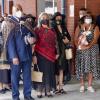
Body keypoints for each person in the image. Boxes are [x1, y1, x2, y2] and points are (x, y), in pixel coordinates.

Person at [6, 4, 36, 100]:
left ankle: (27, 95)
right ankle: (15, 97)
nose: (18, 11)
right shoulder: (9, 23)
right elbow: (9, 42)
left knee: (27, 77)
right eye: (16, 10)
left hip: (27, 54)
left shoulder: (26, 22)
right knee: (15, 78)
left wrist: (33, 39)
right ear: (13, 11)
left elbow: (34, 35)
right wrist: (13, 56)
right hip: (16, 56)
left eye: (19, 9)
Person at [33, 12, 57, 98]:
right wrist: (34, 55)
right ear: (39, 19)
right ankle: (39, 91)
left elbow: (55, 42)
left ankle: (48, 90)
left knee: (49, 73)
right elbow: (34, 44)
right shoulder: (36, 29)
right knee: (40, 73)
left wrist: (56, 53)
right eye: (43, 18)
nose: (44, 19)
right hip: (39, 54)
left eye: (46, 18)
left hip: (50, 55)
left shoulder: (52, 29)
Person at [74, 13, 100, 93]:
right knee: (81, 67)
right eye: (86, 17)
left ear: (92, 19)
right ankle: (82, 85)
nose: (88, 18)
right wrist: (78, 46)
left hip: (92, 50)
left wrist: (88, 46)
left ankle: (89, 85)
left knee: (91, 67)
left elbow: (95, 39)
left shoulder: (95, 27)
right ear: (84, 18)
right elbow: (75, 38)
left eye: (89, 17)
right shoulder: (79, 27)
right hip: (81, 51)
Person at [51, 12, 71, 94]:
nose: (59, 19)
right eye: (57, 18)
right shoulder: (52, 28)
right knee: (56, 70)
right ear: (54, 19)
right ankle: (55, 88)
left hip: (63, 51)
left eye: (60, 18)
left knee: (62, 69)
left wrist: (67, 40)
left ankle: (61, 88)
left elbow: (69, 38)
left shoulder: (64, 27)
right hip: (56, 51)